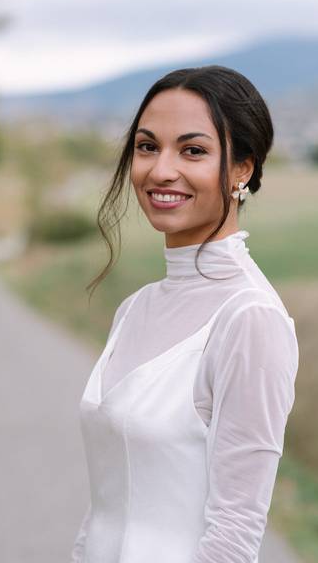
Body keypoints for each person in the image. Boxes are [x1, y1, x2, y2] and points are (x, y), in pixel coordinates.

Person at [71, 66, 299, 563]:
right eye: (148, 146)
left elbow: (236, 533)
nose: (160, 170)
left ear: (243, 169)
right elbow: (106, 503)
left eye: (193, 150)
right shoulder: (135, 309)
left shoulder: (249, 320)